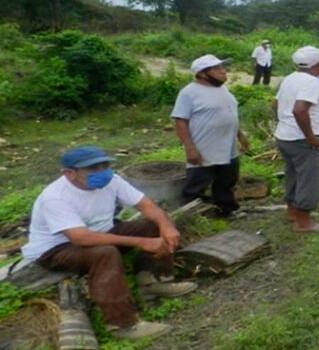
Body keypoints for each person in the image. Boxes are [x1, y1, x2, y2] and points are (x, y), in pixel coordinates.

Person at [20, 146, 197, 341]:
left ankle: (154, 282)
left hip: (101, 232)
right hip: (56, 249)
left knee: (153, 225)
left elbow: (145, 205)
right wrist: (141, 242)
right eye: (93, 168)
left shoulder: (112, 180)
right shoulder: (55, 197)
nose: (102, 172)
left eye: (104, 165)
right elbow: (79, 237)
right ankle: (123, 324)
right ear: (69, 173)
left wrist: (166, 226)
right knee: (105, 253)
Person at [172, 54, 250, 217]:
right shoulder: (189, 93)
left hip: (228, 146)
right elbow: (180, 121)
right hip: (204, 147)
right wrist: (190, 149)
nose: (223, 71)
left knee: (226, 182)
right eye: (217, 69)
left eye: (223, 67)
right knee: (196, 185)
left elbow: (228, 115)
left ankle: (226, 210)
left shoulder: (222, 90)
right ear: (202, 73)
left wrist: (240, 136)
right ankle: (191, 217)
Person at [275, 46, 319, 233]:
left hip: (285, 136)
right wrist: (310, 136)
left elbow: (275, 104)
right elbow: (299, 110)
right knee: (309, 178)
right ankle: (304, 223)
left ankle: (292, 213)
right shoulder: (311, 82)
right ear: (317, 64)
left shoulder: (289, 79)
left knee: (293, 175)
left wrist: (285, 123)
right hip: (301, 139)